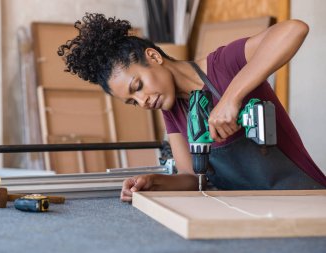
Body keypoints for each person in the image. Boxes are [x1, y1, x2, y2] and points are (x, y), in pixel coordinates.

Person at [58, 13, 326, 202]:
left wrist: (231, 97)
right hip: (250, 212)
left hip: (305, 199)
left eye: (137, 87)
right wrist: (153, 182)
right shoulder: (172, 112)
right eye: (132, 102)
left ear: (153, 56)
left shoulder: (222, 65)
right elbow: (190, 177)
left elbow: (294, 29)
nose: (143, 102)